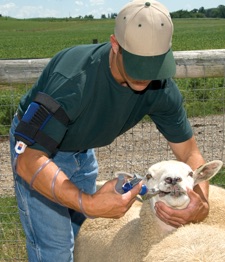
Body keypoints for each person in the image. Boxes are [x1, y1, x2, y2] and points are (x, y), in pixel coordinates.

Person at [10, 0, 208, 261]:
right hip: (41, 152)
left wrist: (201, 205)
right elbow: (28, 161)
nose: (147, 77)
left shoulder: (161, 89)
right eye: (138, 65)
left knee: (84, 240)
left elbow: (189, 152)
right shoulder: (73, 82)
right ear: (115, 45)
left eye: (155, 66)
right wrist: (87, 202)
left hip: (82, 149)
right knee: (55, 250)